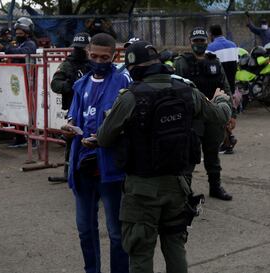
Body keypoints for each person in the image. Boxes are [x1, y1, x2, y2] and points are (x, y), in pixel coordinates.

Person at [97, 40, 232, 273]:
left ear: (133, 68)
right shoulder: (187, 91)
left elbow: (103, 138)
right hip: (177, 186)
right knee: (175, 247)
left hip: (141, 189)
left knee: (140, 252)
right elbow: (219, 117)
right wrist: (222, 100)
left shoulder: (130, 97)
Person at [61, 33, 130, 273]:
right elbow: (73, 114)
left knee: (116, 232)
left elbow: (129, 125)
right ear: (88, 53)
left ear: (114, 56)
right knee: (84, 228)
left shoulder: (123, 83)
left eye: (105, 57)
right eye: (94, 56)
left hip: (110, 170)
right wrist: (69, 126)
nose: (99, 61)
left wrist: (103, 139)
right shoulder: (81, 84)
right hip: (82, 167)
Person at [174, 27, 233, 201]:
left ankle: (215, 187)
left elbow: (225, 87)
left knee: (212, 153)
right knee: (190, 155)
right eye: (196, 41)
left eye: (202, 41)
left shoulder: (215, 62)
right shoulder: (182, 62)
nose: (199, 44)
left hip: (214, 115)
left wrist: (231, 113)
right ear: (190, 42)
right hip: (193, 117)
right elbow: (177, 89)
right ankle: (186, 193)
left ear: (207, 41)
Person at [48, 32, 91, 183]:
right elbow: (55, 84)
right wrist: (69, 85)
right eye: (78, 48)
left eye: (83, 48)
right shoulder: (67, 64)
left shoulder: (93, 63)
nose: (80, 51)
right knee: (71, 140)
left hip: (92, 107)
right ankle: (68, 171)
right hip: (74, 108)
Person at [0, 17, 38, 147]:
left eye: (21, 33)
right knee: (17, 109)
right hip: (17, 83)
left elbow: (22, 53)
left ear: (27, 33)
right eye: (17, 33)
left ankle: (33, 138)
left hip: (28, 82)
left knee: (30, 111)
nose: (18, 35)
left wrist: (5, 48)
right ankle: (20, 138)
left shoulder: (30, 43)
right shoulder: (17, 43)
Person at [207, 24, 238, 154]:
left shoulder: (210, 48)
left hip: (218, 85)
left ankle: (227, 141)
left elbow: (209, 67)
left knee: (220, 113)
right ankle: (229, 138)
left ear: (211, 34)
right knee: (228, 112)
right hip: (231, 84)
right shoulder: (233, 45)